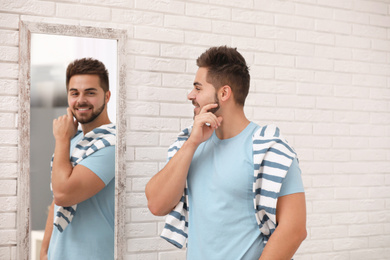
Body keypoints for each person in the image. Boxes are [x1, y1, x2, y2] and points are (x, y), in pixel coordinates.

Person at [145, 46, 307, 259]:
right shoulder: (190, 144)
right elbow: (157, 205)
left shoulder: (270, 150)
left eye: (198, 88)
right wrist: (193, 142)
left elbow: (294, 230)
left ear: (223, 93)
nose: (190, 95)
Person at [40, 58, 116, 260]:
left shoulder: (112, 144)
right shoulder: (72, 140)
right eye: (74, 93)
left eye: (90, 92)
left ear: (107, 96)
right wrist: (45, 251)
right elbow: (57, 200)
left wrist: (61, 139)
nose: (81, 100)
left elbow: (64, 193)